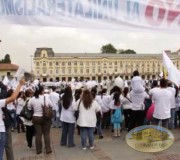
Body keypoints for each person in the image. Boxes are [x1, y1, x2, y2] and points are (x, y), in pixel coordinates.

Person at [0, 78, 25, 160]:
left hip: (5, 124)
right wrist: (20, 84)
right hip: (3, 127)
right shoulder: (2, 99)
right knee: (7, 147)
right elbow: (12, 98)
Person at [28, 84, 53, 155]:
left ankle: (38, 150)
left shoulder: (32, 99)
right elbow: (51, 106)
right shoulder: (46, 98)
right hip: (45, 118)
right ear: (42, 91)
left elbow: (29, 108)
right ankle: (48, 149)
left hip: (36, 117)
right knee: (46, 134)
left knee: (38, 134)